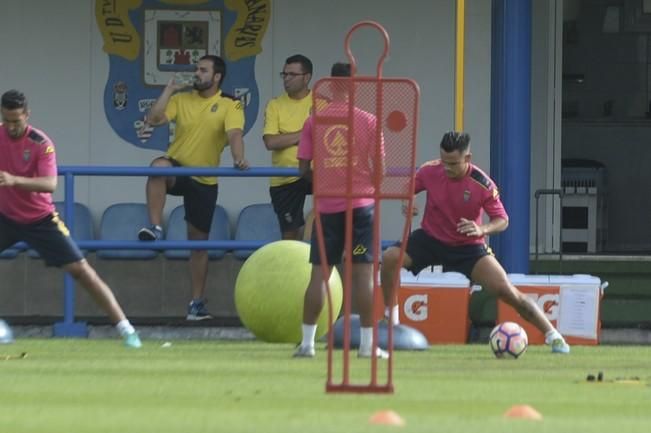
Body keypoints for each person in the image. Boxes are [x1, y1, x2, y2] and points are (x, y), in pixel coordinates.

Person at [381, 131, 571, 354]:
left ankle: (554, 336)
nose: (447, 168)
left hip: (468, 247)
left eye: (453, 163)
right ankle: (390, 320)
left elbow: (503, 220)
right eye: (444, 162)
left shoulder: (482, 184)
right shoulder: (429, 171)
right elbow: (408, 188)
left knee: (507, 291)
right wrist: (408, 202)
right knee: (390, 258)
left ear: (467, 159)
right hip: (431, 239)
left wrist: (481, 228)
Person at [0, 89, 141, 348]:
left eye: (16, 121)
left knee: (81, 271)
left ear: (27, 115)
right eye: (6, 120)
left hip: (39, 219)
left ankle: (127, 330)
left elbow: (50, 183)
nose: (11, 126)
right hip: (5, 217)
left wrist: (13, 180)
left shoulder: (41, 143)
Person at [138, 55, 248, 321]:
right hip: (178, 169)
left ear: (217, 76)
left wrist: (238, 157)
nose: (196, 74)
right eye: (195, 69)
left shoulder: (230, 103)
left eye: (202, 70)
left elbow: (234, 134)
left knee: (198, 245)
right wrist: (169, 89)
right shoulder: (181, 99)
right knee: (158, 166)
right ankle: (155, 227)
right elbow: (153, 119)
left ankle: (196, 304)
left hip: (204, 179)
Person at [294, 62, 387, 359]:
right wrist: (365, 186)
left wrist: (323, 182)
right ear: (355, 86)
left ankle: (307, 345)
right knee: (364, 277)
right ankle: (367, 347)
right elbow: (380, 170)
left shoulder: (314, 120)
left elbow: (303, 169)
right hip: (361, 205)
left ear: (331, 85)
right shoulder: (369, 120)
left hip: (327, 206)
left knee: (319, 275)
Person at [263, 54, 314, 240]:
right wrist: (306, 134)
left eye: (292, 74)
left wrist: (288, 138)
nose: (286, 79)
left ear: (306, 77)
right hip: (285, 177)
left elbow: (327, 138)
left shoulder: (322, 102)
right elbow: (271, 142)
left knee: (331, 224)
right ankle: (293, 265)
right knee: (289, 234)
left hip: (317, 173)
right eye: (284, 74)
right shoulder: (274, 104)